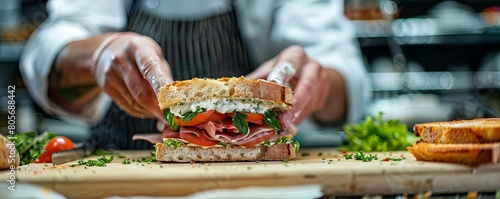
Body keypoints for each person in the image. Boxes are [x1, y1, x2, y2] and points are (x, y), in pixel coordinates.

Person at [20, 0, 371, 150]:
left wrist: (316, 82)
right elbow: (50, 52)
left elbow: (344, 70)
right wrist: (98, 55)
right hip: (116, 179)